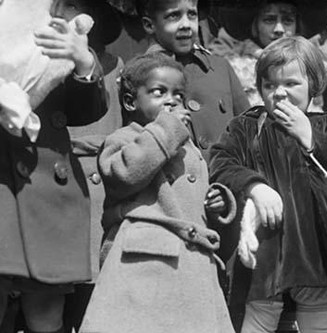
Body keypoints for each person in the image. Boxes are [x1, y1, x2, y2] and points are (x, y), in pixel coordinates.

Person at [209, 36, 327, 333]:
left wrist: (310, 137)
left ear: (314, 85)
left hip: (315, 245)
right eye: (269, 85)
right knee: (259, 316)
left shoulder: (325, 125)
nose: (279, 94)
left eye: (291, 84)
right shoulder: (247, 126)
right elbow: (220, 162)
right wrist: (255, 186)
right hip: (268, 244)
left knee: (318, 316)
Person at [79, 51, 237, 333]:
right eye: (158, 92)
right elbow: (126, 173)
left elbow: (194, 194)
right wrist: (168, 128)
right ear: (130, 101)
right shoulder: (124, 139)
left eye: (178, 94)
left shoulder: (188, 147)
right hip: (143, 263)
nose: (171, 100)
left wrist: (218, 200)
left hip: (190, 265)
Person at [0, 0, 107, 331]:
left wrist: (83, 60)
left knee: (46, 310)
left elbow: (86, 110)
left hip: (45, 186)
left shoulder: (59, 40)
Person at [54, 0, 125, 332]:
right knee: (50, 296)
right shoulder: (38, 63)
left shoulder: (114, 65)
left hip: (99, 185)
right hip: (56, 184)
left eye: (76, 5)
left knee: (94, 291)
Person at [136, 0, 249, 160]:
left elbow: (248, 130)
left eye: (192, 14)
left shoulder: (220, 67)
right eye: (174, 16)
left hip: (229, 177)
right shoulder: (140, 76)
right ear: (149, 25)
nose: (186, 25)